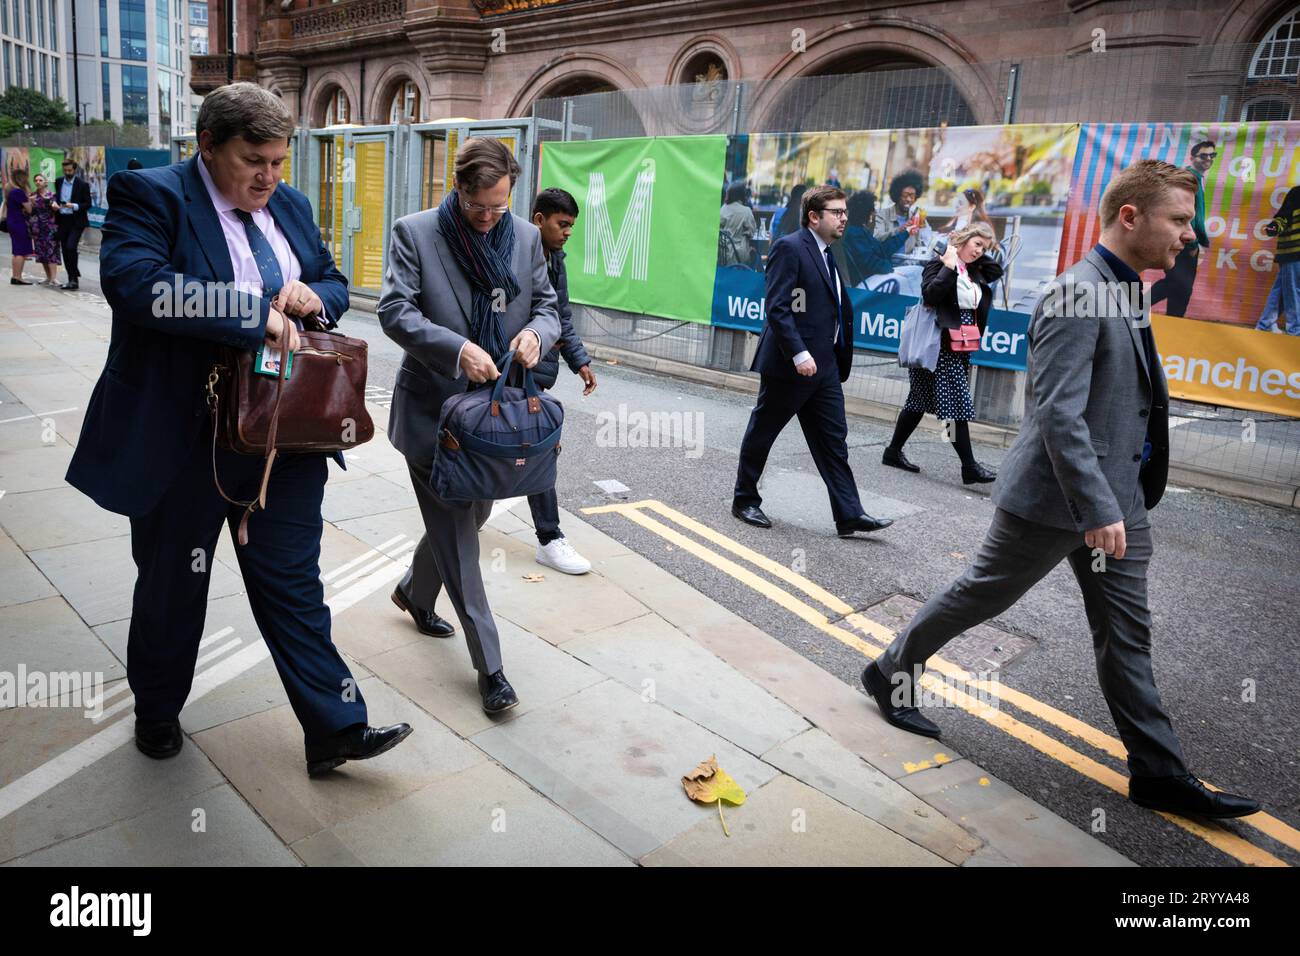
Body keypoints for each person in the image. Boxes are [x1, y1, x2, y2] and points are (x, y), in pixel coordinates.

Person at [861, 159, 1261, 820]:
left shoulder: (1124, 286)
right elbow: (1057, 413)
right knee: (979, 595)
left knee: (1127, 635)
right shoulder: (1080, 291)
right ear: (1130, 217)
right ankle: (890, 671)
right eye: (1180, 220)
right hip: (1060, 502)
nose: (1189, 235)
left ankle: (1158, 772)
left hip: (1120, 501)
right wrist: (1098, 505)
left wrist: (1119, 498)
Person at [65, 82, 411, 777]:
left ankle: (335, 727)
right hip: (185, 439)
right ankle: (157, 711)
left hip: (284, 437)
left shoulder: (289, 205)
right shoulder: (155, 196)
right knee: (173, 586)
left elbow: (333, 279)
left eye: (279, 162)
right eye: (254, 160)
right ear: (207, 147)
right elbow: (138, 283)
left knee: (293, 582)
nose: (269, 177)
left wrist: (316, 297)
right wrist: (256, 313)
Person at [378, 137, 560, 714]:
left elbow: (549, 306)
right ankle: (492, 671)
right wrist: (457, 350)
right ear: (457, 188)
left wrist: (537, 334)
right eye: (477, 205)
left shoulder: (527, 237)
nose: (487, 218)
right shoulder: (416, 231)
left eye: (498, 207)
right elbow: (395, 310)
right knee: (460, 537)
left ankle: (412, 591)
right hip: (435, 414)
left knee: (470, 516)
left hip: (498, 415)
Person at [732, 185, 894, 538]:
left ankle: (849, 513)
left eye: (845, 212)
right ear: (813, 217)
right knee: (764, 431)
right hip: (792, 365)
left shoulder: (827, 252)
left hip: (825, 367)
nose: (844, 218)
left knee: (834, 441)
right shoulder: (790, 247)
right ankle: (745, 500)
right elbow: (778, 306)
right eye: (836, 212)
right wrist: (799, 353)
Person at [882, 222, 1002, 484]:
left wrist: (979, 249)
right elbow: (930, 296)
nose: (980, 251)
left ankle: (892, 451)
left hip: (960, 346)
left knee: (918, 401)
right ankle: (969, 466)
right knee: (956, 406)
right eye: (977, 244)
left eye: (984, 247)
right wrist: (949, 263)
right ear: (963, 241)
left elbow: (996, 270)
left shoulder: (973, 269)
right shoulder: (939, 265)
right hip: (939, 345)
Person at [529, 186, 597, 574]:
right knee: (539, 446)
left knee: (514, 446)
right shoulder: (516, 254)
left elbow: (561, 315)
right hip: (515, 368)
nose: (568, 232)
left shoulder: (555, 258)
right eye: (563, 224)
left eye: (571, 225)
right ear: (540, 220)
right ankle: (550, 538)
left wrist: (580, 361)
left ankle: (459, 515)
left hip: (540, 368)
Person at [1148, 141, 1213, 318]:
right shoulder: (1190, 178)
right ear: (1192, 158)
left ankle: (1172, 323)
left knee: (1177, 286)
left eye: (1212, 155)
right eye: (1204, 155)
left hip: (1179, 240)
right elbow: (1194, 217)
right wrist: (1195, 243)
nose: (1208, 159)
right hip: (1184, 242)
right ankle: (1132, 306)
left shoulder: (1192, 177)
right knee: (1180, 286)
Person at [840, 189, 914, 286]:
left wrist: (907, 232)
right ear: (867, 212)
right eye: (873, 209)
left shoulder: (859, 230)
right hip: (867, 284)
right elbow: (871, 263)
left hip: (871, 278)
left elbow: (882, 248)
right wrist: (892, 270)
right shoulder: (855, 234)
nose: (875, 212)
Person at [1254, 184, 1300, 334]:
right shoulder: (1297, 192)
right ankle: (1295, 330)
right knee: (1294, 291)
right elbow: (1283, 217)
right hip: (1294, 252)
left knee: (1283, 290)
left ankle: (1265, 325)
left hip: (1292, 254)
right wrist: (1274, 227)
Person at [874, 170, 933, 256]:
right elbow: (876, 237)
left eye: (912, 196)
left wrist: (923, 227)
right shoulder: (882, 214)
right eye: (905, 195)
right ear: (897, 195)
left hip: (910, 263)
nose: (909, 199)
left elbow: (929, 242)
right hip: (889, 262)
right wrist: (900, 229)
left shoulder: (916, 216)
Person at [55, 158, 92, 291]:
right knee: (65, 249)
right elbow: (57, 198)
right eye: (65, 170)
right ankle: (72, 278)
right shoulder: (59, 182)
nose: (67, 172)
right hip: (62, 219)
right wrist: (55, 205)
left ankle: (74, 276)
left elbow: (88, 204)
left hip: (77, 221)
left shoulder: (83, 185)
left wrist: (74, 206)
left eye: (70, 170)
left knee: (71, 247)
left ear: (74, 170)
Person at [29, 173, 62, 286]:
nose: (38, 182)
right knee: (41, 253)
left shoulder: (51, 195)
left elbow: (56, 208)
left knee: (51, 252)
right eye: (36, 180)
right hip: (37, 228)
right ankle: (48, 277)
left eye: (40, 180)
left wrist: (56, 208)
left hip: (50, 228)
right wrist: (30, 203)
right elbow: (28, 212)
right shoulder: (32, 195)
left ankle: (54, 278)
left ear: (45, 182)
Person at [719, 181, 756, 267]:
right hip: (739, 255)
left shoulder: (723, 208)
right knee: (754, 252)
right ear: (742, 194)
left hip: (722, 253)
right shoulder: (746, 211)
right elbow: (752, 231)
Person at [6, 167, 33, 284]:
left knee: (16, 250)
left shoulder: (11, 191)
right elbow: (29, 209)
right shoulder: (19, 192)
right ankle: (18, 277)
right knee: (20, 251)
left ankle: (15, 276)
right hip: (19, 222)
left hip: (12, 221)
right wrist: (30, 199)